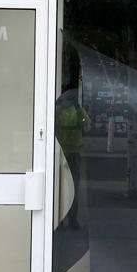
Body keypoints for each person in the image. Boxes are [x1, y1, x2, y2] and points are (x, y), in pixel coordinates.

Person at [55, 83, 90, 230]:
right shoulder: (76, 109)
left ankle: (59, 220)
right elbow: (87, 125)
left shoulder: (58, 109)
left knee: (59, 187)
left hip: (61, 152)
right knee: (73, 188)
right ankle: (72, 220)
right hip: (70, 153)